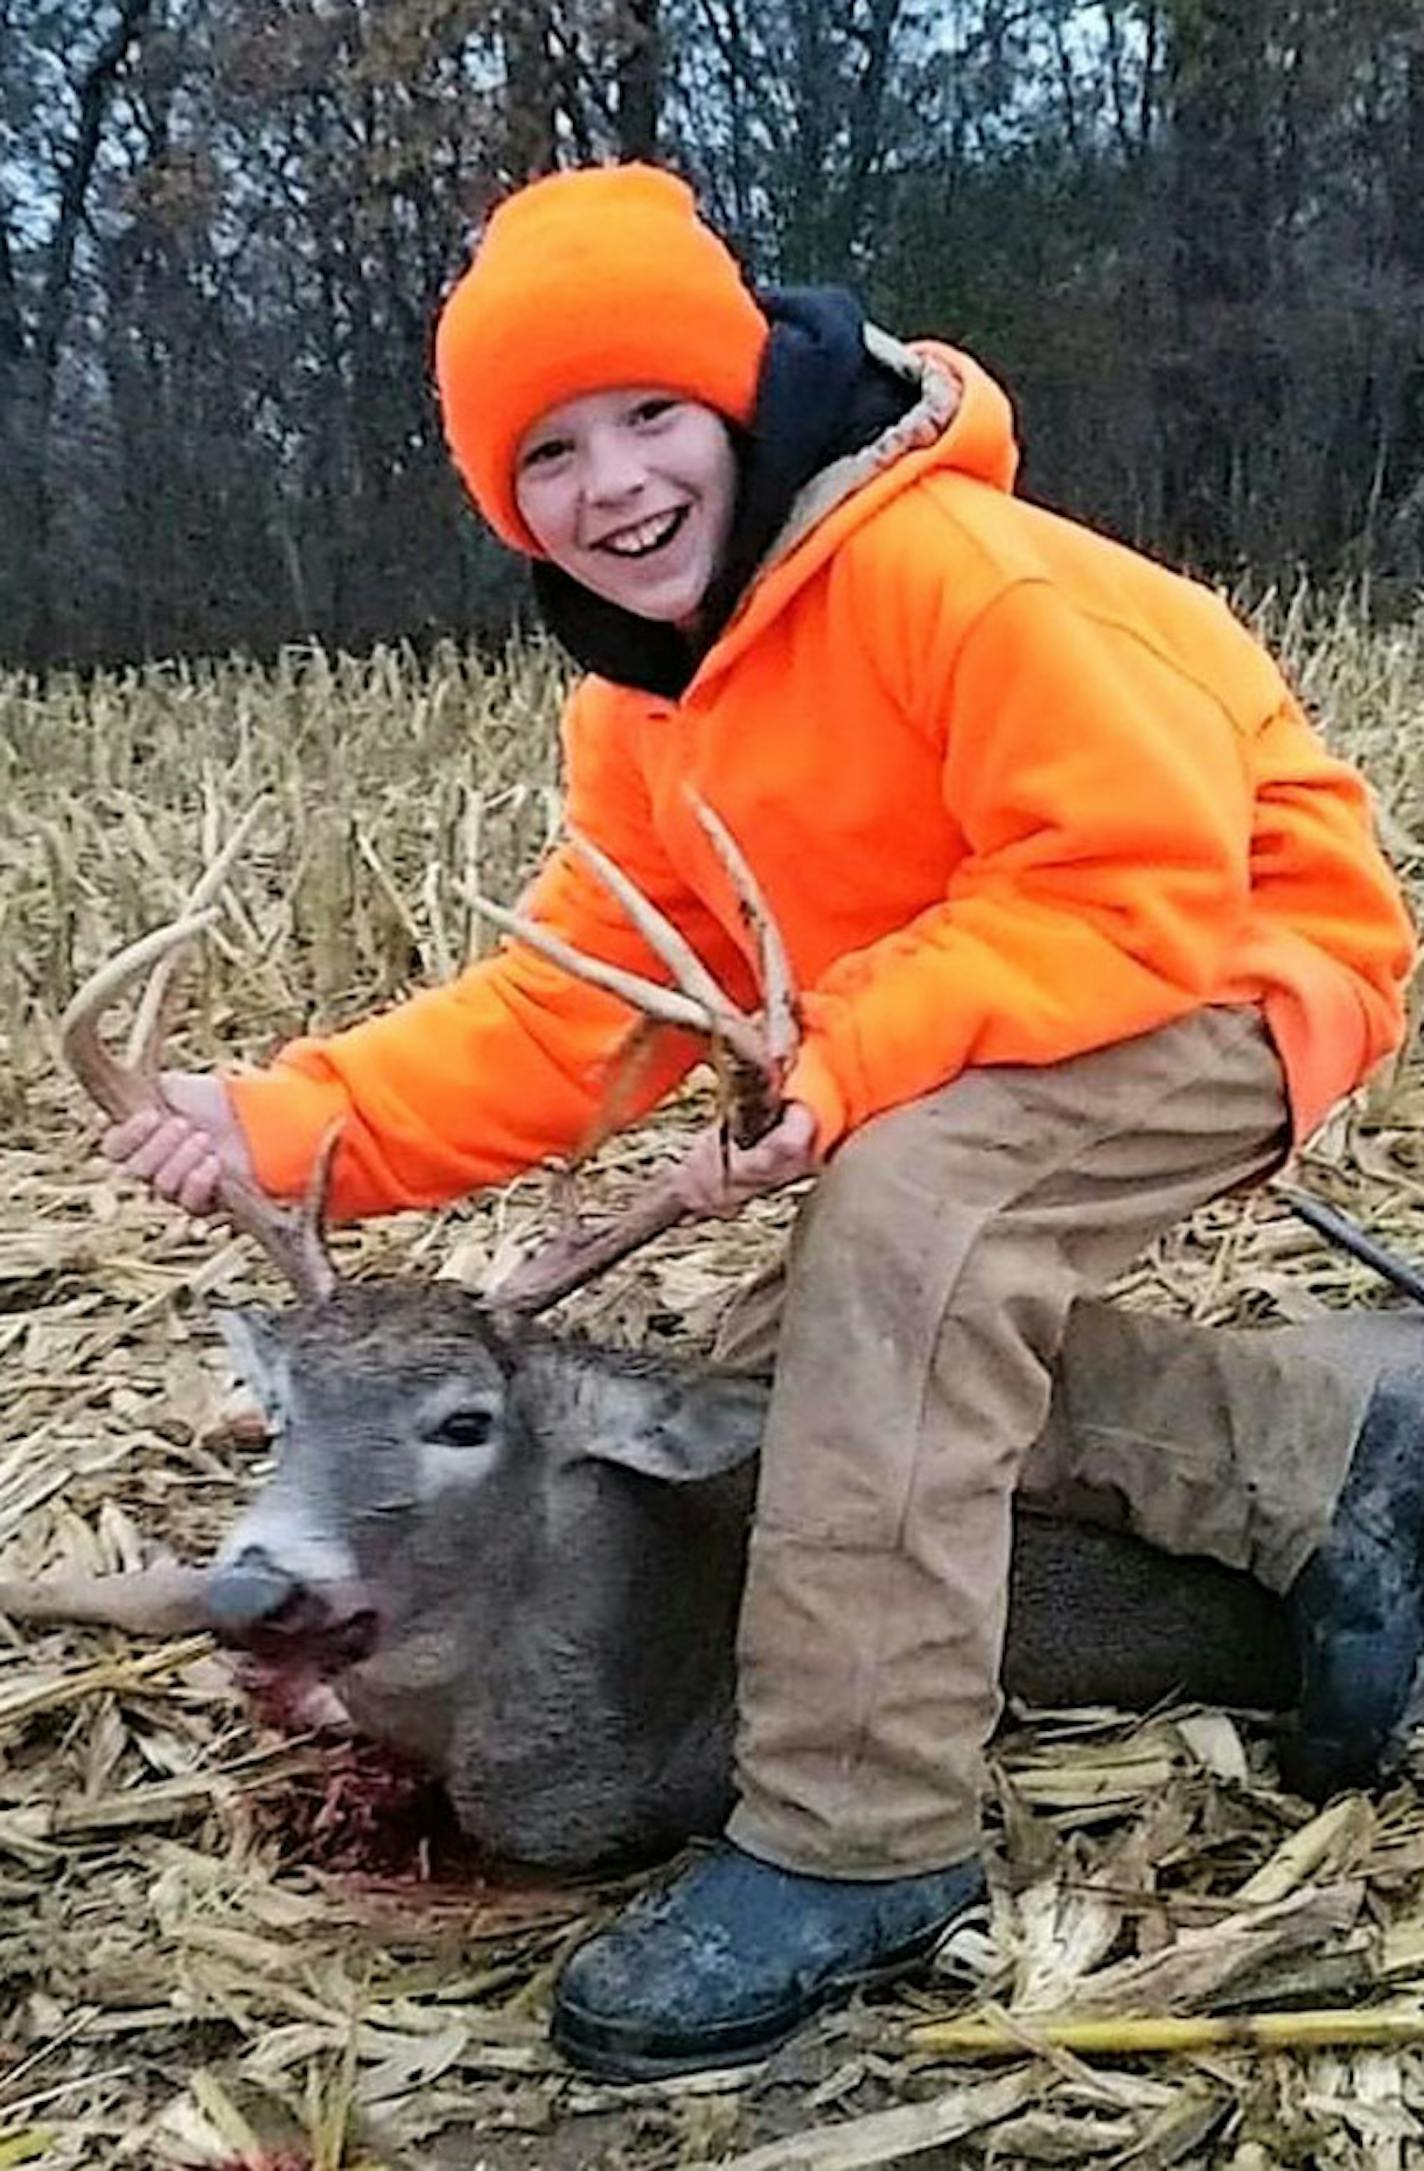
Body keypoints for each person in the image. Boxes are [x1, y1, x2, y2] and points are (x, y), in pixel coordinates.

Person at [103, 164, 1418, 2079]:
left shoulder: (947, 570)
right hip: (995, 1000)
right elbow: (581, 1010)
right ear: (504, 497)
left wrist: (845, 1054)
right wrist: (291, 1119)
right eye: (549, 451)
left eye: (651, 413)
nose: (615, 482)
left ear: (737, 399)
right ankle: (1332, 1463)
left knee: (907, 1222)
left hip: (1230, 964)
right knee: (783, 1372)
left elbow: (1137, 878)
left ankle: (854, 1841)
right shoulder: (651, 707)